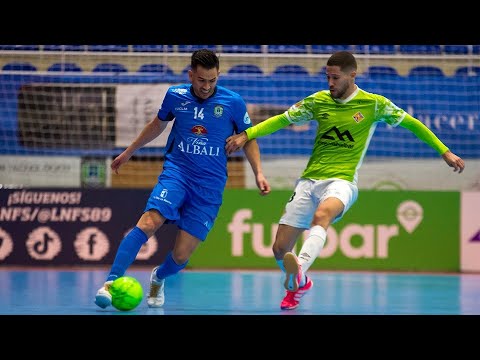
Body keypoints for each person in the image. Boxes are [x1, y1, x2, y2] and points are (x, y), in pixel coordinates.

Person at [225, 50, 465, 311]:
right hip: (309, 182)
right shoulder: (318, 101)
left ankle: (299, 270)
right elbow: (282, 120)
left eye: (335, 78)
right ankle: (300, 282)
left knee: (322, 217)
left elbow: (413, 124)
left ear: (352, 75)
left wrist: (445, 151)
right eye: (327, 77)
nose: (330, 83)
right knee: (280, 249)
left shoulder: (374, 104)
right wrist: (247, 134)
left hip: (342, 182)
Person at [95, 49, 271, 309]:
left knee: (180, 255)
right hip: (178, 173)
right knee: (148, 222)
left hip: (209, 187)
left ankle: (158, 277)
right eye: (201, 80)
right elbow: (157, 124)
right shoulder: (175, 96)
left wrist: (258, 172)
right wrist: (129, 152)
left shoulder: (233, 102)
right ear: (191, 75)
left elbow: (249, 138)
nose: (207, 86)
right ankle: (110, 283)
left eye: (212, 80)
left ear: (218, 75)